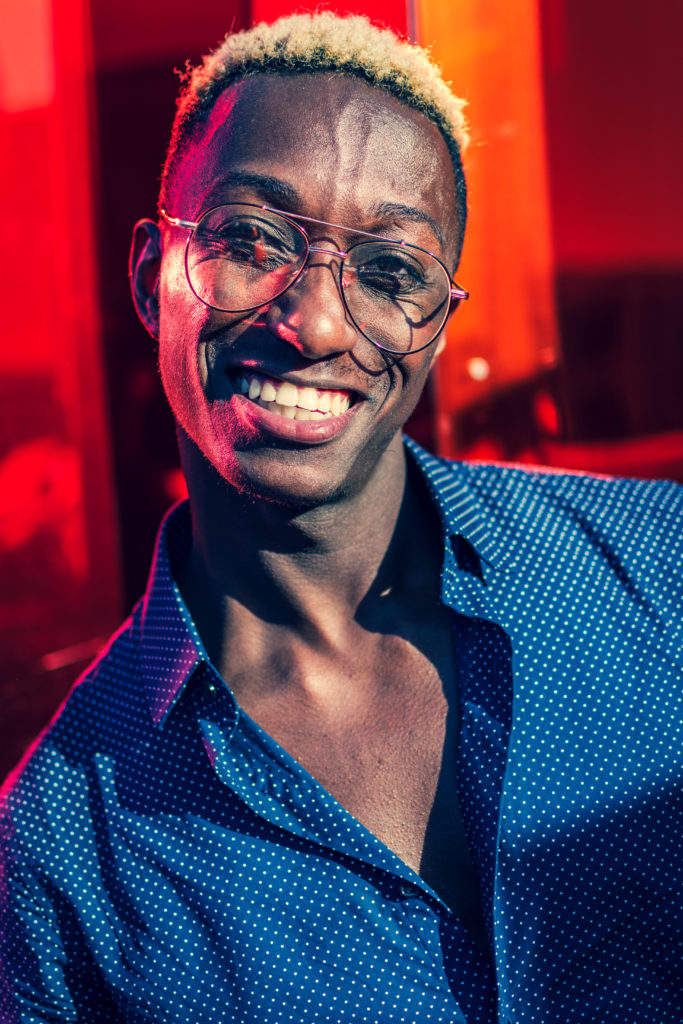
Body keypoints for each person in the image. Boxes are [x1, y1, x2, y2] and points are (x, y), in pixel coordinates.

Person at [1, 11, 681, 1023]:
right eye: (247, 239)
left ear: (437, 325)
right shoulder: (59, 852)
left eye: (389, 270)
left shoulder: (654, 570)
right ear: (152, 279)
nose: (313, 321)